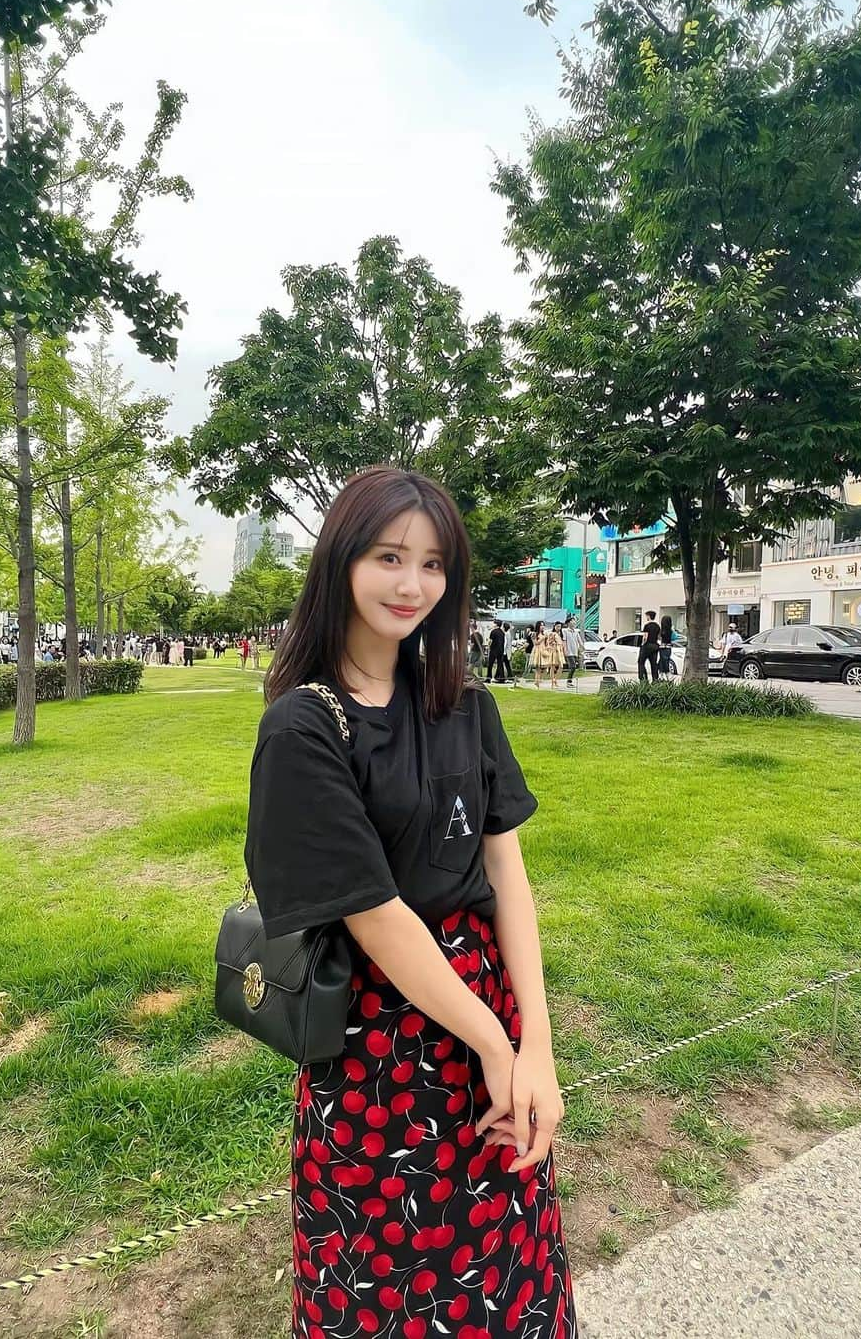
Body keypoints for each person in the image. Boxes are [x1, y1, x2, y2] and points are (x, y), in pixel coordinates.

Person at [245, 465, 576, 1337]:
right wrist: (493, 1043)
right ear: (342, 563)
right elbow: (376, 915)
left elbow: (508, 875)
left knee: (512, 1269)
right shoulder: (304, 726)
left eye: (433, 565)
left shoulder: (467, 704)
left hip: (489, 1020)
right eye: (389, 556)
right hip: (376, 1048)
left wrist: (532, 1046)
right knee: (382, 1284)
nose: (411, 584)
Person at [638, 610, 661, 681]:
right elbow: (658, 637)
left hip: (647, 645)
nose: (646, 617)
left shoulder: (647, 626)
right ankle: (655, 679)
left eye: (646, 616)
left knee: (641, 662)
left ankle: (643, 678)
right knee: (653, 663)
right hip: (655, 646)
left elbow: (645, 637)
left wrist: (642, 644)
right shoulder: (657, 626)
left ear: (649, 616)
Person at [561, 617, 582, 689]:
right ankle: (568, 682)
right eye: (573, 621)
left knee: (573, 667)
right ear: (569, 623)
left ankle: (569, 681)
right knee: (573, 666)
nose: (574, 622)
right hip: (569, 652)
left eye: (574, 621)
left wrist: (582, 648)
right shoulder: (565, 631)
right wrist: (565, 650)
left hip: (575, 651)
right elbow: (564, 641)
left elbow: (580, 641)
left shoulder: (576, 632)